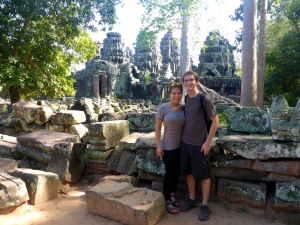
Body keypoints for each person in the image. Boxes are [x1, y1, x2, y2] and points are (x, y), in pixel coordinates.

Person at [179, 71, 219, 221]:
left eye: (191, 80)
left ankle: (204, 204)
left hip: (200, 145)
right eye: (186, 81)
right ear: (183, 83)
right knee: (189, 172)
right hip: (185, 142)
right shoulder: (187, 98)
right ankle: (191, 198)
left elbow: (215, 122)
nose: (188, 83)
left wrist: (208, 142)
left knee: (204, 175)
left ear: (196, 81)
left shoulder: (204, 99)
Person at [155, 82, 185, 215]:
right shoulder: (163, 108)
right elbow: (157, 129)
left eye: (179, 93)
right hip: (168, 146)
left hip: (182, 146)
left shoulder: (184, 108)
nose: (176, 96)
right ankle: (166, 199)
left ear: (182, 94)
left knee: (177, 172)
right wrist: (158, 146)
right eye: (174, 93)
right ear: (169, 94)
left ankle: (173, 196)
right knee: (170, 173)